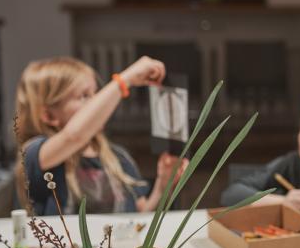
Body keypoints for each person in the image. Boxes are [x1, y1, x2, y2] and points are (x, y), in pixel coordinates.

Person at [16, 55, 184, 215]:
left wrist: (162, 187)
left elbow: (139, 218)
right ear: (50, 116)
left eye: (96, 93)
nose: (97, 101)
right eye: (84, 96)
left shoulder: (118, 157)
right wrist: (125, 80)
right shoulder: (35, 154)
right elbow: (74, 136)